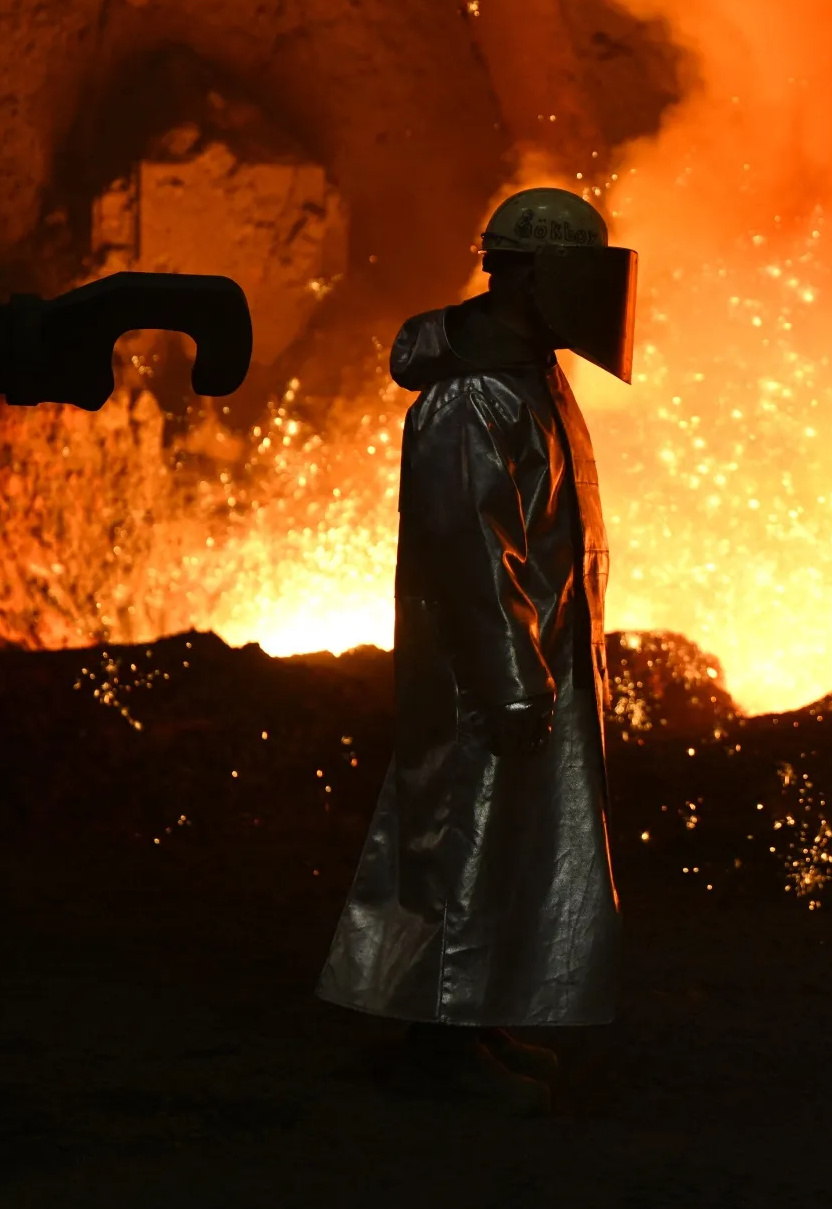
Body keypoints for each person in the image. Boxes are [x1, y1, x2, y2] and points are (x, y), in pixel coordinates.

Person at [317, 187, 638, 1116]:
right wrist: (512, 682)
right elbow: (470, 551)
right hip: (482, 677)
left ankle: (477, 1018)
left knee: (501, 848)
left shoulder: (525, 371)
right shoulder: (472, 396)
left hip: (521, 663)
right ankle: (439, 1044)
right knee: (459, 848)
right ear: (533, 275)